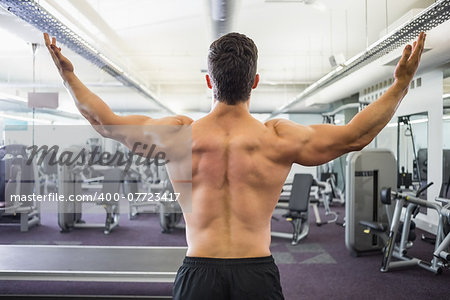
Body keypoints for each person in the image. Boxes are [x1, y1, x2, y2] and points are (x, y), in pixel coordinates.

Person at [44, 31, 426, 299]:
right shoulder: (278, 137)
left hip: (198, 273)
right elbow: (355, 136)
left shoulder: (179, 136)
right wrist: (400, 84)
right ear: (255, 81)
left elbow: (103, 121)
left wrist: (68, 75)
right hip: (256, 274)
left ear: (210, 81)